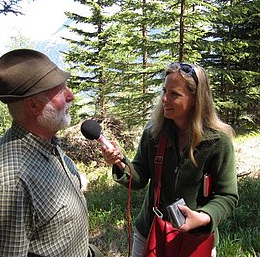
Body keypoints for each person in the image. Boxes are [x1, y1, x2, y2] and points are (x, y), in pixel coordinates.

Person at [102, 62, 239, 257]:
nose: (165, 99)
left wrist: (203, 217)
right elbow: (139, 179)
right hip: (150, 234)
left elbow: (227, 196)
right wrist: (120, 163)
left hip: (195, 240)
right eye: (164, 91)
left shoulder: (218, 142)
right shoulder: (154, 134)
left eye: (175, 94)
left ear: (196, 99)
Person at [0, 49, 102, 257]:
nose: (71, 95)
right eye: (59, 91)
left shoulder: (45, 142)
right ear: (33, 104)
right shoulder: (11, 182)